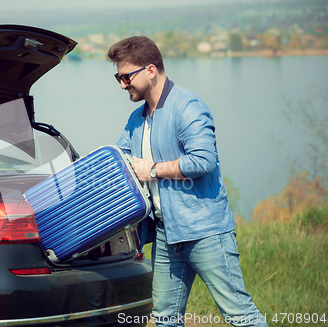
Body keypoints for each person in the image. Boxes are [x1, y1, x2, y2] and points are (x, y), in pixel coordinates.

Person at [107, 36, 268, 327]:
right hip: (166, 235)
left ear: (151, 70)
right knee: (166, 320)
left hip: (205, 232)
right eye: (118, 77)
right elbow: (117, 159)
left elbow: (203, 161)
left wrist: (153, 170)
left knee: (240, 315)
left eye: (126, 76)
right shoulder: (136, 119)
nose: (122, 84)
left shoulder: (188, 107)